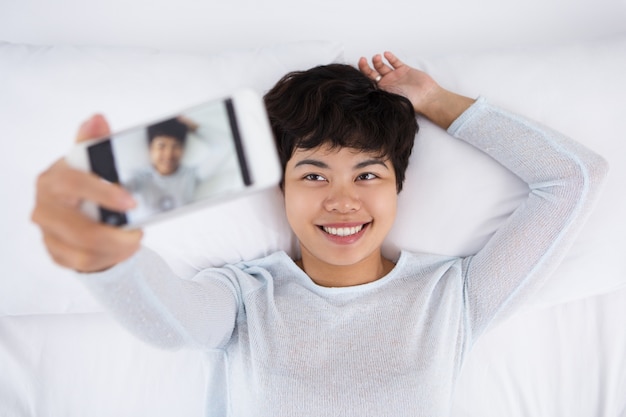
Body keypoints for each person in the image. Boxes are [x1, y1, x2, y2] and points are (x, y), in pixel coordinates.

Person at [31, 52, 608, 416]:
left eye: (368, 173)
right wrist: (104, 257)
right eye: (313, 173)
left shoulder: (452, 296)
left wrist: (435, 101)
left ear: (397, 186)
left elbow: (573, 178)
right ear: (280, 187)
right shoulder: (245, 297)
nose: (343, 200)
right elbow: (171, 322)